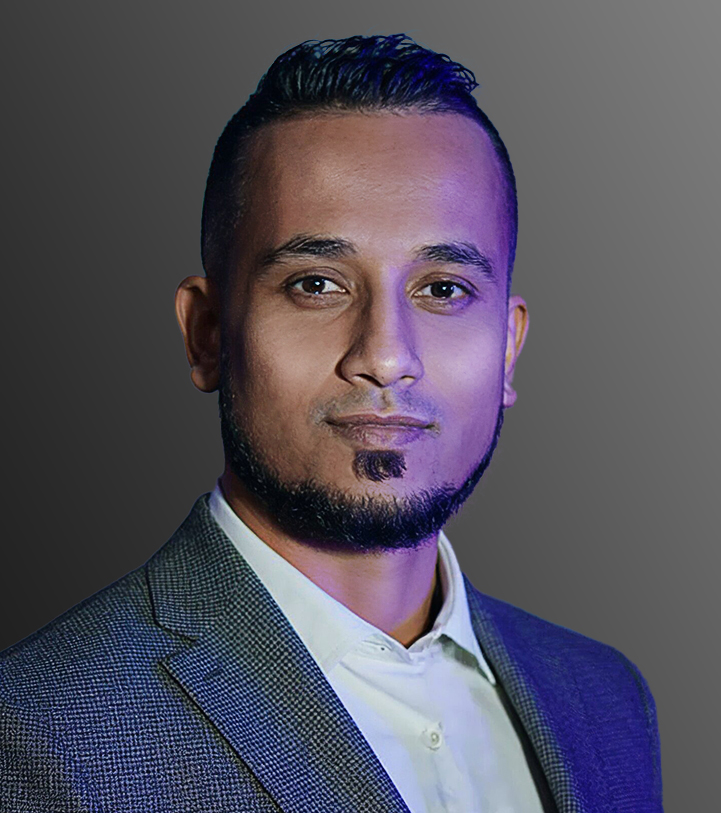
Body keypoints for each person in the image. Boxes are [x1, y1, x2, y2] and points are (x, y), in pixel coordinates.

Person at [0, 35, 662, 813]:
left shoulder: (607, 699)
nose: (385, 356)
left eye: (444, 289)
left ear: (508, 347)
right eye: (316, 284)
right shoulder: (40, 731)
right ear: (207, 332)